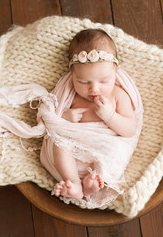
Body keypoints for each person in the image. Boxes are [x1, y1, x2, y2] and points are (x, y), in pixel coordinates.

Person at [40, 29, 140, 203]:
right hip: (75, 149)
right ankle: (74, 182)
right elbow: (52, 120)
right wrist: (65, 116)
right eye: (84, 82)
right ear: (73, 75)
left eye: (103, 81)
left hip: (105, 147)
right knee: (59, 142)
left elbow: (130, 129)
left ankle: (96, 180)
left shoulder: (118, 95)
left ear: (116, 71)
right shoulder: (71, 95)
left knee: (116, 151)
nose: (94, 89)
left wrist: (110, 116)